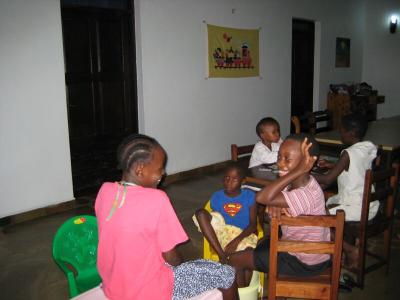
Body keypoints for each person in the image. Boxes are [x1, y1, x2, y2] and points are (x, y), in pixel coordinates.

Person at [95, 134, 239, 300]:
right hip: (149, 291)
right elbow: (172, 258)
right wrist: (183, 267)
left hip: (114, 286)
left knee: (204, 265)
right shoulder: (156, 199)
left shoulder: (105, 191)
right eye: (159, 168)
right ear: (140, 170)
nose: (163, 173)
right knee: (228, 274)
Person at [228, 134, 331, 287]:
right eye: (279, 157)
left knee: (234, 260)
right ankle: (250, 290)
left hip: (303, 261)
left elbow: (262, 197)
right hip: (307, 252)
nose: (280, 163)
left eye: (287, 159)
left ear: (307, 163)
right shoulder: (303, 183)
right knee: (259, 245)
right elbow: (273, 200)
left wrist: (297, 171)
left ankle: (243, 294)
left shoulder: (304, 193)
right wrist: (276, 202)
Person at [314, 113, 377, 268]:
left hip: (356, 207)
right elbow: (356, 167)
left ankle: (350, 250)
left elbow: (328, 179)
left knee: (316, 219)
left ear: (351, 133)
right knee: (326, 204)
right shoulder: (368, 147)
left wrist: (305, 175)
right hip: (370, 203)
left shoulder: (347, 154)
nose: (340, 133)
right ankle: (346, 243)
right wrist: (333, 165)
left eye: (341, 130)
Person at [194, 162, 258, 264]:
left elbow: (253, 225)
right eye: (227, 178)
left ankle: (241, 280)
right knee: (200, 213)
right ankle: (222, 255)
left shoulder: (249, 196)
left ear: (243, 181)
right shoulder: (217, 196)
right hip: (224, 233)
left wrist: (235, 242)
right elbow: (216, 222)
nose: (229, 182)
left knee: (246, 255)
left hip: (243, 234)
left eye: (234, 179)